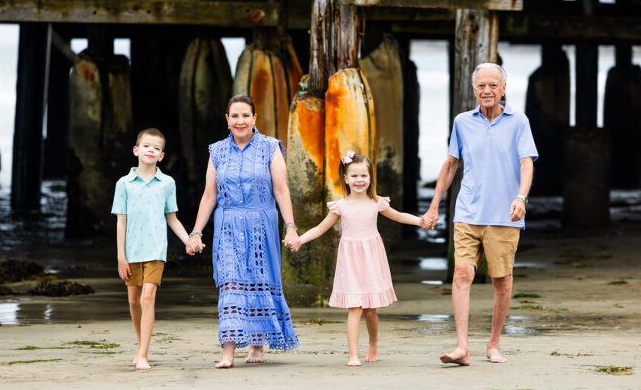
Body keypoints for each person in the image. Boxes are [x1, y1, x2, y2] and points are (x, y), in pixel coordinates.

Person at [420, 63, 538, 366]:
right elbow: (450, 165)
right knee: (462, 273)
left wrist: (521, 197)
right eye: (481, 86)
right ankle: (461, 347)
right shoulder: (462, 122)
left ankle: (493, 343)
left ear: (503, 89)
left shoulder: (519, 121)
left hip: (504, 215)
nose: (487, 91)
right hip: (467, 212)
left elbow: (526, 162)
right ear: (474, 89)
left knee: (502, 281)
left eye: (493, 85)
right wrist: (433, 206)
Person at [186, 95, 300, 368]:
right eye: (234, 116)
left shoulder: (270, 147)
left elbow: (281, 191)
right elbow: (209, 195)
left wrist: (291, 228)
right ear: (227, 119)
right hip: (228, 225)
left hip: (262, 222)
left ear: (254, 118)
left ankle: (257, 344)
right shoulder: (217, 151)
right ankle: (228, 352)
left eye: (245, 115)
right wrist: (196, 232)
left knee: (259, 279)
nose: (240, 121)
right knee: (231, 282)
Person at [287, 152, 424, 366]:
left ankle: (373, 344)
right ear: (346, 178)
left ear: (370, 178)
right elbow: (320, 228)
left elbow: (399, 216)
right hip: (350, 261)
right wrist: (300, 240)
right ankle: (352, 354)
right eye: (354, 176)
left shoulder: (377, 203)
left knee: (370, 310)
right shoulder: (340, 206)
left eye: (364, 176)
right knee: (355, 307)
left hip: (372, 259)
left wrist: (420, 221)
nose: (359, 180)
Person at [111, 128, 189, 371]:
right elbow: (121, 221)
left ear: (161, 156)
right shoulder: (124, 184)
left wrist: (188, 240)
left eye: (156, 148)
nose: (151, 151)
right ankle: (140, 345)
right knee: (133, 300)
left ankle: (143, 355)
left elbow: (172, 218)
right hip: (131, 251)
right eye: (146, 146)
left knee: (147, 298)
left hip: (156, 251)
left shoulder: (167, 183)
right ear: (136, 150)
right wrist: (120, 256)